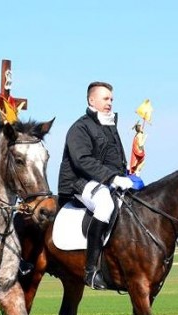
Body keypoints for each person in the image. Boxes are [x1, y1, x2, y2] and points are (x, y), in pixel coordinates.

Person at [57, 81, 133, 290]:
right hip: (78, 182)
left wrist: (126, 175)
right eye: (106, 99)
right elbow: (82, 161)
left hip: (105, 180)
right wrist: (112, 179)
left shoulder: (110, 126)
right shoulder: (79, 128)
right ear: (92, 100)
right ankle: (91, 271)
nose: (110, 103)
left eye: (111, 99)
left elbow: (114, 160)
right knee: (106, 206)